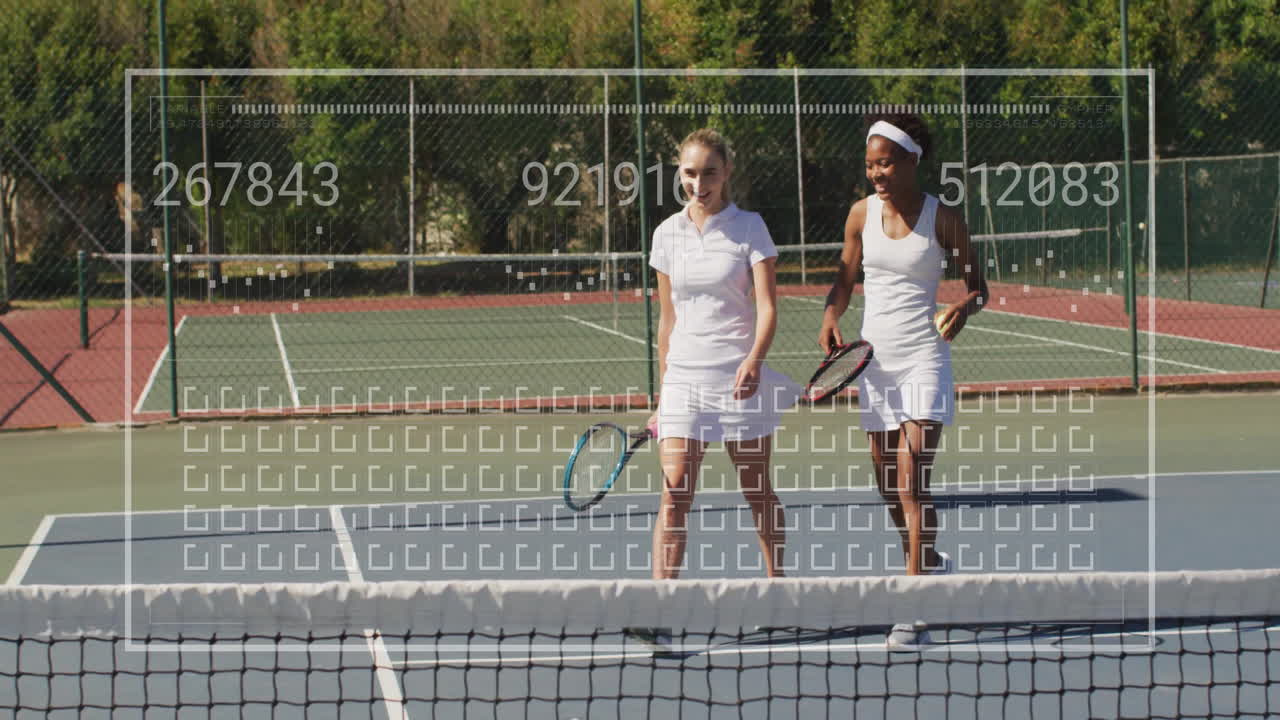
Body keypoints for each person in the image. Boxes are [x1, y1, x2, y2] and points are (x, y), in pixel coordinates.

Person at [818, 114, 988, 646]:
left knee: (913, 480)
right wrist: (830, 316)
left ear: (914, 160)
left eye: (886, 162)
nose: (877, 173)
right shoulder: (859, 216)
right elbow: (845, 278)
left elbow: (978, 287)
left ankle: (913, 605)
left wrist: (965, 307)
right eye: (871, 164)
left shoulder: (946, 220)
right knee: (889, 484)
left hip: (924, 360)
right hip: (874, 365)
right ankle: (931, 561)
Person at [645, 128, 800, 584]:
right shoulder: (666, 234)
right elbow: (667, 320)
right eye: (690, 173)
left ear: (727, 171)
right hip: (683, 383)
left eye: (709, 172)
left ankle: (778, 587)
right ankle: (661, 606)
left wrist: (754, 359)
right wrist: (662, 394)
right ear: (679, 172)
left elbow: (768, 306)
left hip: (738, 380)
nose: (699, 183)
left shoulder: (750, 227)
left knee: (757, 490)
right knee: (674, 495)